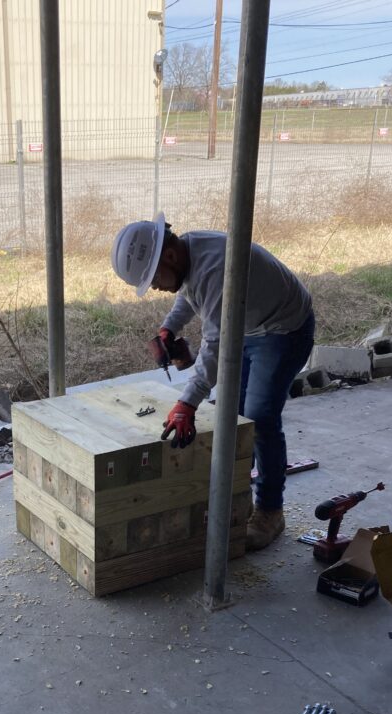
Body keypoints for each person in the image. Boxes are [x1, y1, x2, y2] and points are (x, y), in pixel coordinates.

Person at [110, 213, 315, 551]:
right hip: (247, 323)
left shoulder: (216, 268)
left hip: (283, 329)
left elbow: (216, 344)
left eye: (153, 278)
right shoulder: (188, 251)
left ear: (169, 255)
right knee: (233, 415)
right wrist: (169, 327)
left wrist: (187, 402)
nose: (156, 287)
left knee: (259, 417)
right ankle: (237, 499)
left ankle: (270, 511)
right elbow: (189, 293)